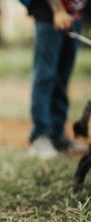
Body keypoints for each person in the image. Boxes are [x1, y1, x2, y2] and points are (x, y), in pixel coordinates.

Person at [28, 0, 87, 160]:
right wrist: (58, 10)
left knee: (63, 76)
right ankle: (40, 136)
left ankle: (57, 135)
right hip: (50, 14)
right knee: (45, 76)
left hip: (75, 14)